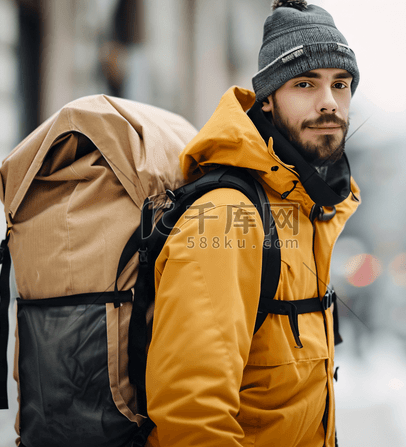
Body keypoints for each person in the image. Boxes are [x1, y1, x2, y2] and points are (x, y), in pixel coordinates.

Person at [144, 1, 361, 445]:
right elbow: (191, 415)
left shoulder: (306, 209)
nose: (329, 102)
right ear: (267, 98)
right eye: (305, 83)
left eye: (341, 84)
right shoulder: (228, 217)